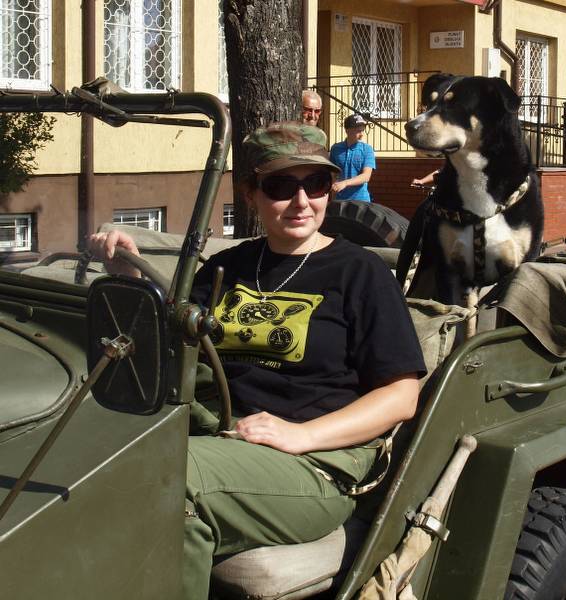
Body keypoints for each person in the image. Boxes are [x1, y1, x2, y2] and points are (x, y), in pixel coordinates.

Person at [87, 122, 426, 600]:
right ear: (251, 194)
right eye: (281, 186)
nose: (302, 201)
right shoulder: (231, 267)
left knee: (168, 479)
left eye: (316, 184)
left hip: (314, 463)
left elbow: (401, 395)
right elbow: (168, 344)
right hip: (217, 435)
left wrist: (303, 435)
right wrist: (127, 274)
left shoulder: (360, 272)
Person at [330, 114, 376, 201]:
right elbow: (333, 174)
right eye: (358, 131)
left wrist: (345, 183)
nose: (361, 134)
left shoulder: (367, 149)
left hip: (361, 201)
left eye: (362, 131)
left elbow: (366, 176)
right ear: (347, 130)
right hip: (339, 200)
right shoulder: (335, 149)